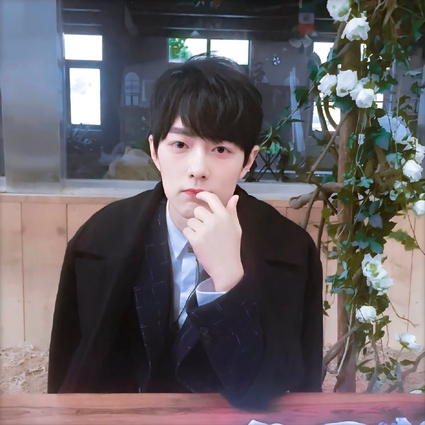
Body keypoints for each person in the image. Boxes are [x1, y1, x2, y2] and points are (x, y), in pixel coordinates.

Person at [48, 56, 323, 409]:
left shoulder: (290, 251)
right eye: (180, 145)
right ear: (154, 151)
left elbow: (278, 392)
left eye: (221, 149)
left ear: (248, 161)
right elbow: (70, 372)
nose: (197, 169)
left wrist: (228, 281)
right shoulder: (98, 239)